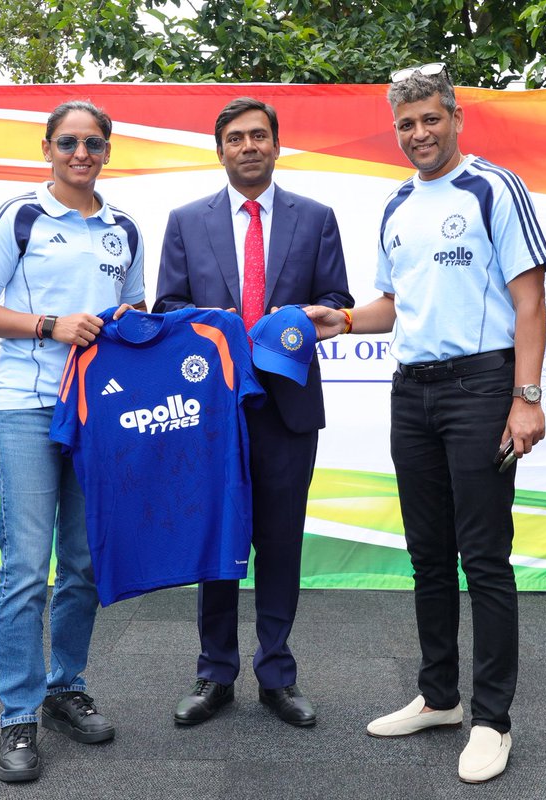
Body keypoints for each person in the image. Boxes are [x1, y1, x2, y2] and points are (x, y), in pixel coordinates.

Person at [306, 64, 546, 783]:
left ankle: (491, 720)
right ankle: (440, 697)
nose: (419, 134)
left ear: (455, 118)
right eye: (407, 124)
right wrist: (344, 319)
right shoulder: (395, 206)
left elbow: (529, 302)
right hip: (411, 391)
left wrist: (525, 396)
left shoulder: (493, 188)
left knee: (484, 559)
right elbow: (395, 304)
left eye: (430, 120)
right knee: (427, 554)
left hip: (482, 385)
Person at [0, 100, 147, 783]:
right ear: (47, 147)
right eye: (68, 141)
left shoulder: (125, 228)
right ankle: (17, 713)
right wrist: (49, 326)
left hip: (96, 417)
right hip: (29, 411)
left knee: (85, 564)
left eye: (93, 142)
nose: (81, 152)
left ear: (107, 149)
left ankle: (66, 687)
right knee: (24, 567)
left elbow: (133, 316)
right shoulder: (21, 215)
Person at [155, 96, 353, 728]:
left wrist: (291, 328)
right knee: (216, 538)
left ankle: (277, 674)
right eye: (236, 137)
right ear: (220, 150)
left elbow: (336, 300)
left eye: (259, 136)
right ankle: (214, 674)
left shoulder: (316, 218)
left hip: (288, 408)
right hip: (211, 412)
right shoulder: (186, 221)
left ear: (276, 145)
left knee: (279, 542)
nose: (248, 146)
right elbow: (168, 307)